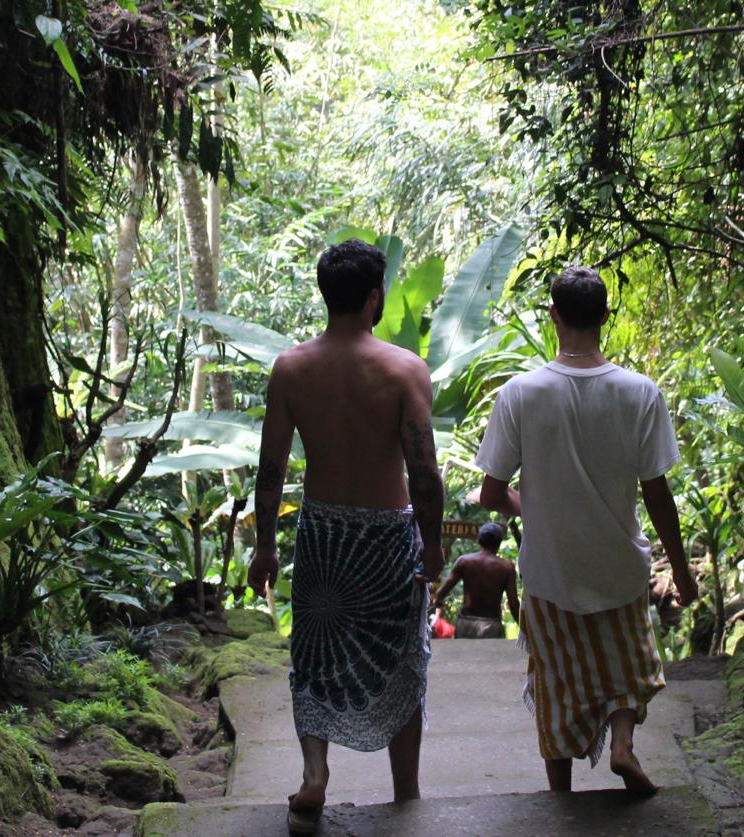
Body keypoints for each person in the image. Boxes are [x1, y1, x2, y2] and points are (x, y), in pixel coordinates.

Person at [474, 265, 698, 796]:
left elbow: (490, 494)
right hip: (620, 567)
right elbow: (657, 494)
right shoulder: (640, 392)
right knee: (627, 667)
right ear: (604, 317)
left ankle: (561, 798)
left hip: (551, 573)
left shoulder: (520, 393)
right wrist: (683, 572)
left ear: (553, 317)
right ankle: (622, 745)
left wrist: (532, 506)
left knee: (556, 684)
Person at [247, 239, 444, 833]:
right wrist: (432, 544)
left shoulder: (292, 369)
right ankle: (405, 789)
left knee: (313, 654)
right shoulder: (403, 369)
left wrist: (264, 545)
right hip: (386, 537)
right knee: (401, 657)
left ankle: (314, 774)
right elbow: (424, 470)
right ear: (374, 297)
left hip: (324, 537)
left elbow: (271, 468)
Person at [431, 522, 520, 638]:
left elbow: (441, 593)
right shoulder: (506, 567)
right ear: (499, 543)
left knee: (464, 656)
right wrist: (526, 630)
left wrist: (438, 602)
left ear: (479, 540)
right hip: (491, 626)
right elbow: (513, 604)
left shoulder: (464, 561)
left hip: (465, 624)